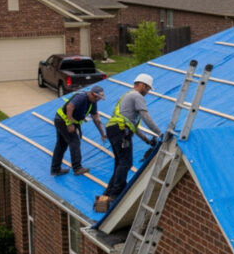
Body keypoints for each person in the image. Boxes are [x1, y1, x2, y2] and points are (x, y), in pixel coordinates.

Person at [95, 73, 162, 212]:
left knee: (120, 163)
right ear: (142, 85)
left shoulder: (127, 95)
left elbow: (133, 125)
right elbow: (145, 116)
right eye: (148, 89)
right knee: (126, 163)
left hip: (115, 130)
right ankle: (116, 193)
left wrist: (147, 140)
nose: (147, 92)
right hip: (120, 131)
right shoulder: (137, 96)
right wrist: (160, 133)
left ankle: (107, 194)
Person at [50, 85, 107, 176]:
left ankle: (55, 169)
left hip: (61, 120)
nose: (97, 100)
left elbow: (96, 119)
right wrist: (70, 124)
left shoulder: (92, 103)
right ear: (92, 94)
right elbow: (69, 107)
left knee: (61, 145)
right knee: (74, 142)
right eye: (97, 97)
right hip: (63, 120)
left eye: (99, 98)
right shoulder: (81, 97)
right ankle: (77, 168)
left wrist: (102, 133)